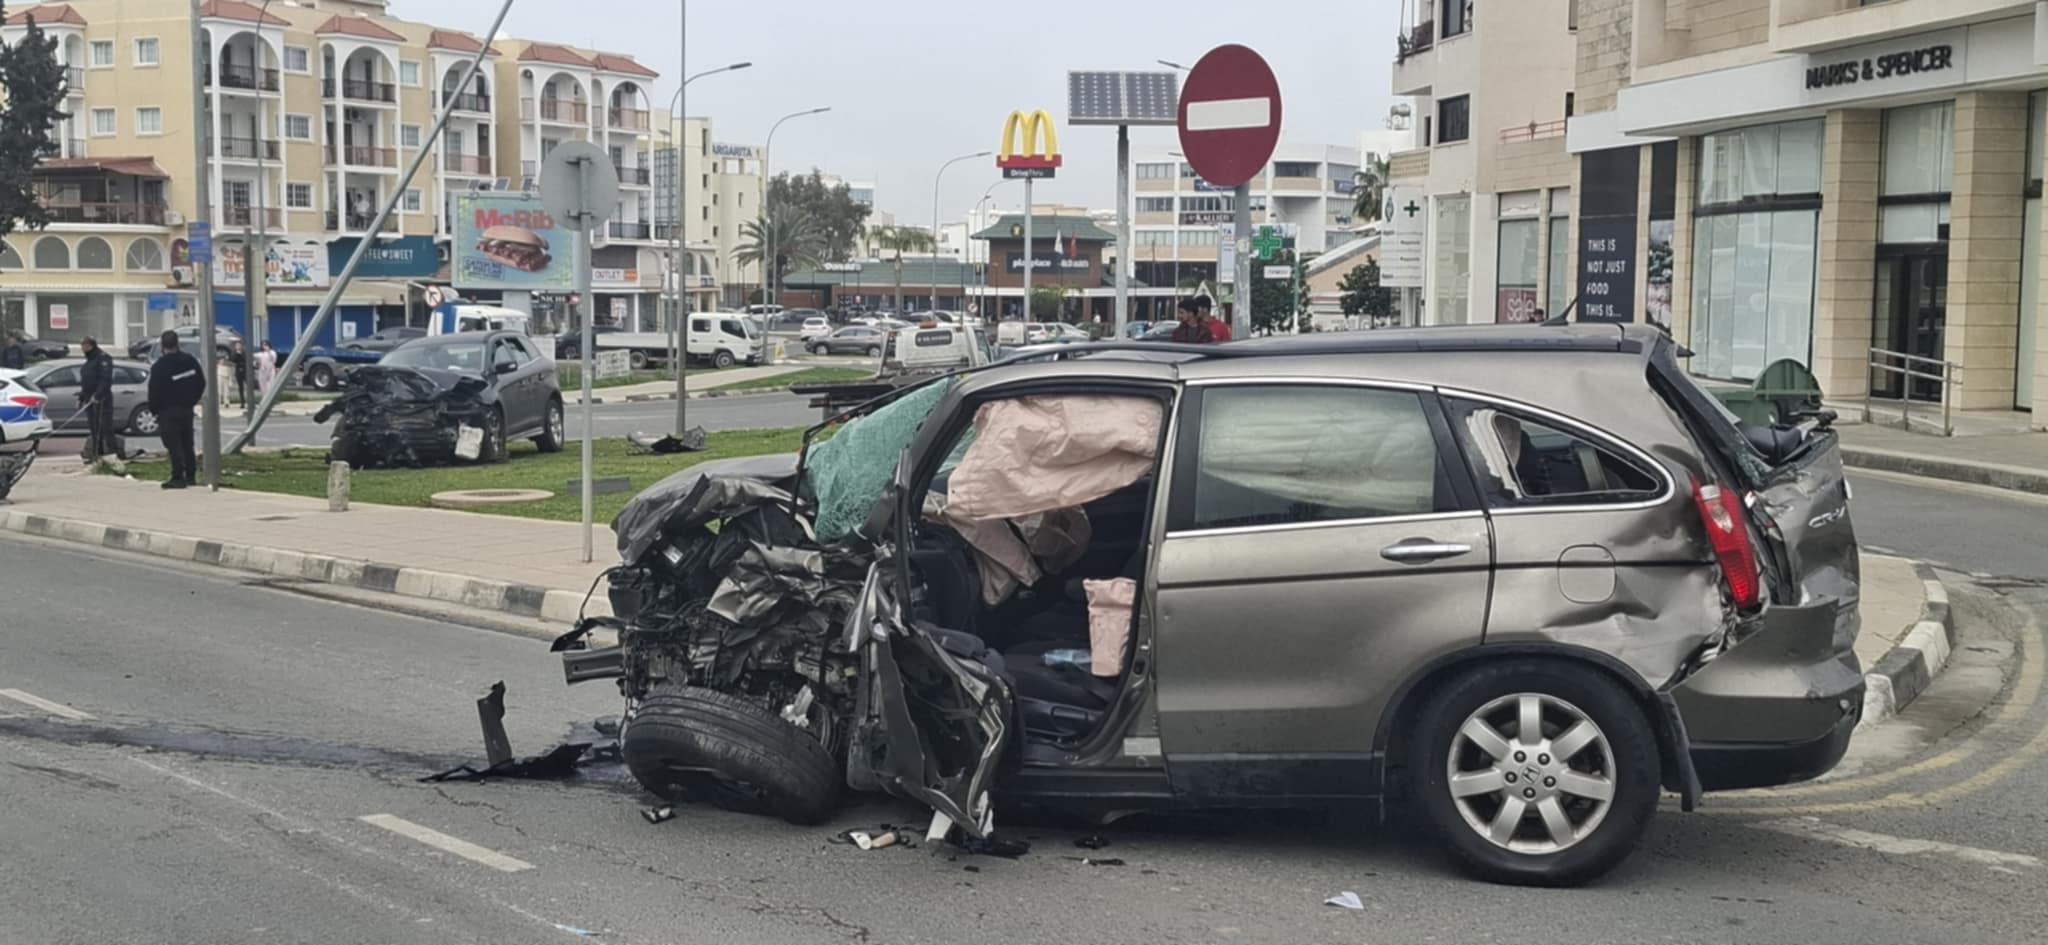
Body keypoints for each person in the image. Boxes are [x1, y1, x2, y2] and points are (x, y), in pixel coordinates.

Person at [147, 330, 206, 489]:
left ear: (162, 346)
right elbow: (201, 382)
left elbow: (154, 390)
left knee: (173, 445)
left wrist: (154, 409)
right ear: (177, 343)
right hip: (186, 409)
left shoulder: (160, 367)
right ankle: (191, 475)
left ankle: (178, 476)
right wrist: (192, 400)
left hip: (168, 410)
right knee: (187, 443)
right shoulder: (190, 361)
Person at [77, 337, 119, 462]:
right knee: (94, 429)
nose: (82, 349)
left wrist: (98, 395)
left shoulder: (102, 358)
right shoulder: (89, 361)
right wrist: (82, 397)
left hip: (102, 400)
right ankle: (96, 455)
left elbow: (105, 380)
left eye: (84, 346)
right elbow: (86, 382)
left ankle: (113, 454)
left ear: (90, 346)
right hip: (90, 400)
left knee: (106, 428)